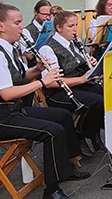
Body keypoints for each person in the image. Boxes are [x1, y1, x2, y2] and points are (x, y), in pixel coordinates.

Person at [0, 0, 89, 199]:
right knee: (52, 131)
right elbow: (7, 93)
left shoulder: (8, 49)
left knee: (62, 116)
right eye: (17, 23)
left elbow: (19, 77)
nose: (22, 27)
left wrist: (37, 69)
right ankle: (52, 192)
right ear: (1, 26)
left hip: (12, 111)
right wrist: (42, 82)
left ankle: (66, 168)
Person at [38, 9, 106, 153]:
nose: (75, 29)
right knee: (96, 101)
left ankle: (92, 132)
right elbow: (50, 82)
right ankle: (80, 134)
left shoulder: (73, 42)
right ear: (59, 28)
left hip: (78, 86)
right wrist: (82, 79)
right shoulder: (47, 48)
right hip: (59, 92)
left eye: (76, 25)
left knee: (106, 94)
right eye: (71, 26)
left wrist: (90, 62)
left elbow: (78, 64)